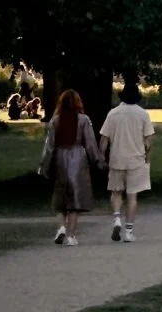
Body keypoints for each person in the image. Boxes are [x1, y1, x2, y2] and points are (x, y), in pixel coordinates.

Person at [38, 89, 104, 246]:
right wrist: (98, 160)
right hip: (77, 158)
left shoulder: (55, 120)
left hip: (60, 157)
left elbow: (49, 146)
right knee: (75, 199)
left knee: (61, 197)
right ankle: (71, 235)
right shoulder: (83, 120)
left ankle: (61, 227)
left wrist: (44, 165)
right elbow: (90, 143)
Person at [99, 80, 155, 243]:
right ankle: (129, 231)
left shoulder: (113, 113)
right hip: (136, 160)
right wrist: (148, 157)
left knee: (116, 192)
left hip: (117, 158)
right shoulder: (142, 114)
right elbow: (149, 139)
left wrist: (102, 156)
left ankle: (117, 218)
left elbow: (104, 138)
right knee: (132, 196)